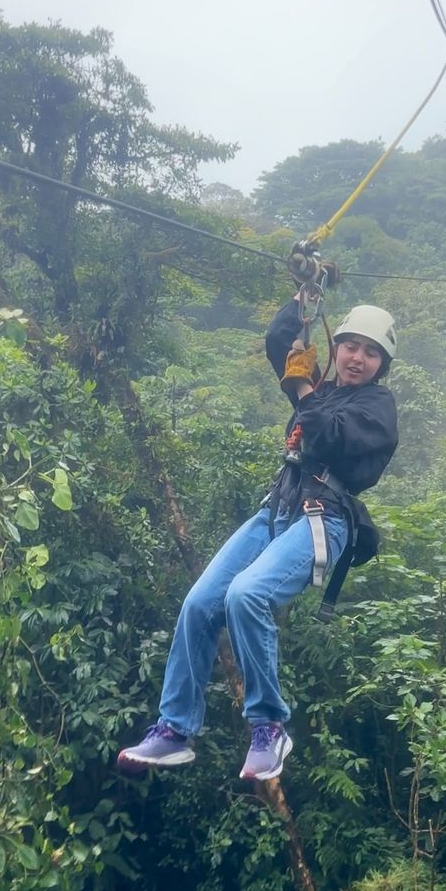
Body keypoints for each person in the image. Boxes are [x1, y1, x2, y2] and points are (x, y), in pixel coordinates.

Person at [117, 265, 398, 782]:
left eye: (370, 351)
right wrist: (304, 297)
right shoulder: (323, 388)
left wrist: (304, 391)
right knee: (201, 603)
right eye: (350, 346)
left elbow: (330, 438)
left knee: (246, 595)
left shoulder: (378, 407)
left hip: (324, 518)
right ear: (337, 348)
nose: (357, 357)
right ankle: (174, 730)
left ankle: (269, 727)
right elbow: (278, 342)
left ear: (382, 364)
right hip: (278, 509)